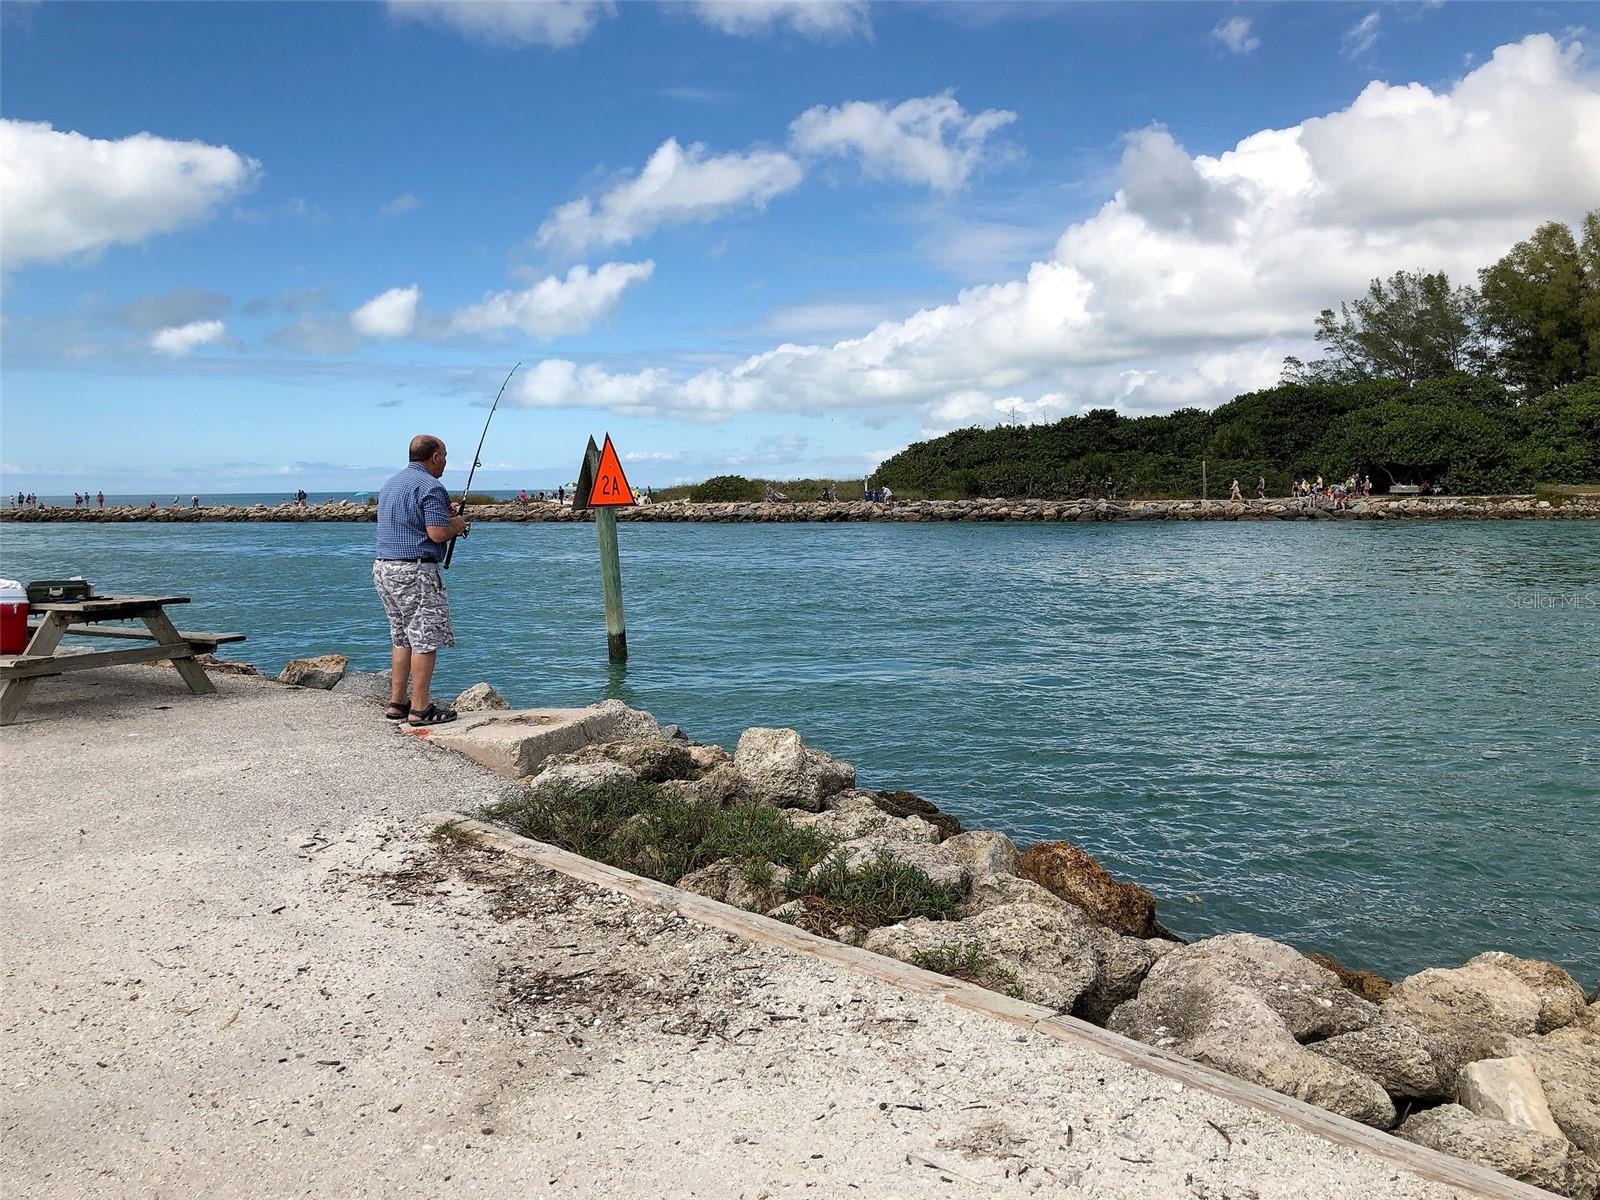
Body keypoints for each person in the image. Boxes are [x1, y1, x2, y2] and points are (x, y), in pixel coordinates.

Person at [373, 434, 468, 727]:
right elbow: (437, 533)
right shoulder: (431, 485)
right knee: (425, 639)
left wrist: (444, 515)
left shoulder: (391, 483)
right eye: (445, 456)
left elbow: (411, 520)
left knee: (402, 637)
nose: (446, 462)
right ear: (435, 456)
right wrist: (458, 524)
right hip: (415, 571)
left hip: (384, 568)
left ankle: (397, 703)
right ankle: (420, 709)